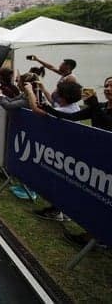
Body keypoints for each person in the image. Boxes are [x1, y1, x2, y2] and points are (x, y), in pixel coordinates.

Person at [38, 76, 112, 244]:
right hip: (96, 155)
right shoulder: (99, 107)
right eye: (106, 85)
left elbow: (108, 125)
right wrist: (49, 110)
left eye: (111, 86)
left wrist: (93, 105)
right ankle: (90, 236)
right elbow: (73, 117)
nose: (108, 89)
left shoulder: (97, 107)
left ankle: (95, 237)